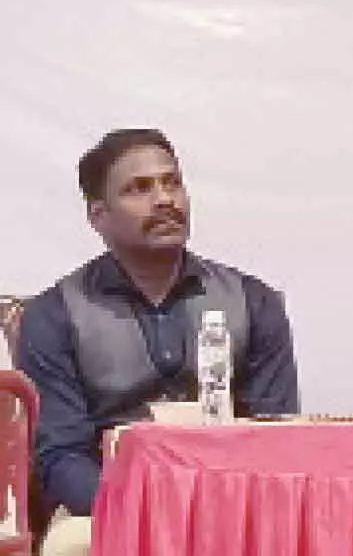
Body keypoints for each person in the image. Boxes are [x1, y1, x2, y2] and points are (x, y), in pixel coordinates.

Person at [18, 128, 300, 556]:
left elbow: (278, 434)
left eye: (172, 182)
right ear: (98, 216)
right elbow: (59, 457)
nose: (164, 199)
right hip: (104, 507)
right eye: (139, 189)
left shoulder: (253, 301)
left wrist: (217, 508)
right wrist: (145, 509)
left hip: (233, 505)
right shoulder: (54, 316)